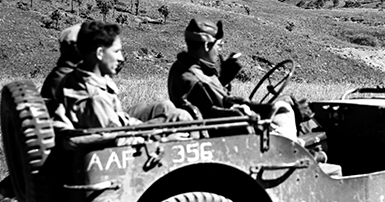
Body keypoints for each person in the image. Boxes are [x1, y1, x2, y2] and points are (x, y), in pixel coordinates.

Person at [167, 18, 299, 140]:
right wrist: (265, 109)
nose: (219, 51)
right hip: (231, 135)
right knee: (285, 107)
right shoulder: (201, 80)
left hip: (217, 128)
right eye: (219, 45)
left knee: (283, 101)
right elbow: (228, 108)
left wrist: (223, 80)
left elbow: (212, 102)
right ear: (207, 46)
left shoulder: (180, 67)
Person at [55, 21, 191, 129]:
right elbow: (115, 134)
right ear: (99, 53)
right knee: (181, 117)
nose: (121, 58)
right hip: (122, 142)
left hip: (120, 127)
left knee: (167, 108)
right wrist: (158, 131)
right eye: (116, 51)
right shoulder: (94, 97)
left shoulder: (78, 77)